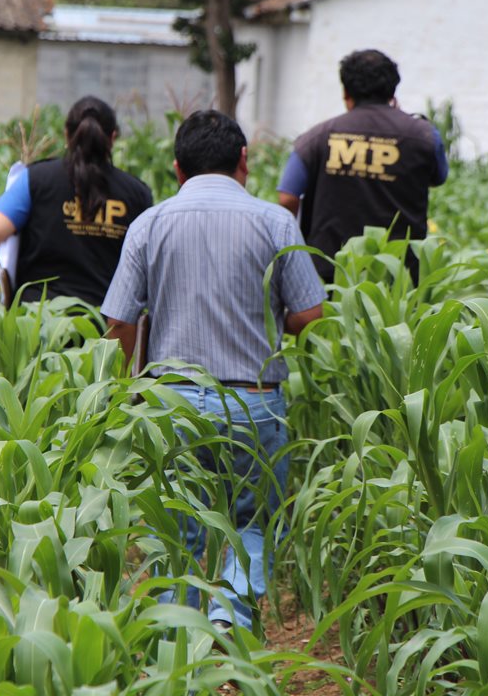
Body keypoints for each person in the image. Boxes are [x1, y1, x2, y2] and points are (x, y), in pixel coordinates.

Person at [101, 110, 325, 633]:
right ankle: (228, 622)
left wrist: (129, 389)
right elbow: (310, 316)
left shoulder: (150, 223)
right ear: (244, 160)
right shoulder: (275, 222)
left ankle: (177, 627)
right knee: (251, 522)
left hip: (172, 400)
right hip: (255, 398)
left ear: (177, 168)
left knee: (178, 526)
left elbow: (119, 320)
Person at [277, 49, 448, 282]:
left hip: (330, 273)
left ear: (346, 91)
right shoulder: (424, 136)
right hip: (400, 278)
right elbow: (439, 177)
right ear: (393, 90)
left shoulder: (316, 138)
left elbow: (287, 198)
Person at [0, 96, 153, 305]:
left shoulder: (35, 178)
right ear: (113, 138)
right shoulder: (137, 193)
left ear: (67, 134)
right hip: (103, 327)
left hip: (38, 321)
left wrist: (5, 263)